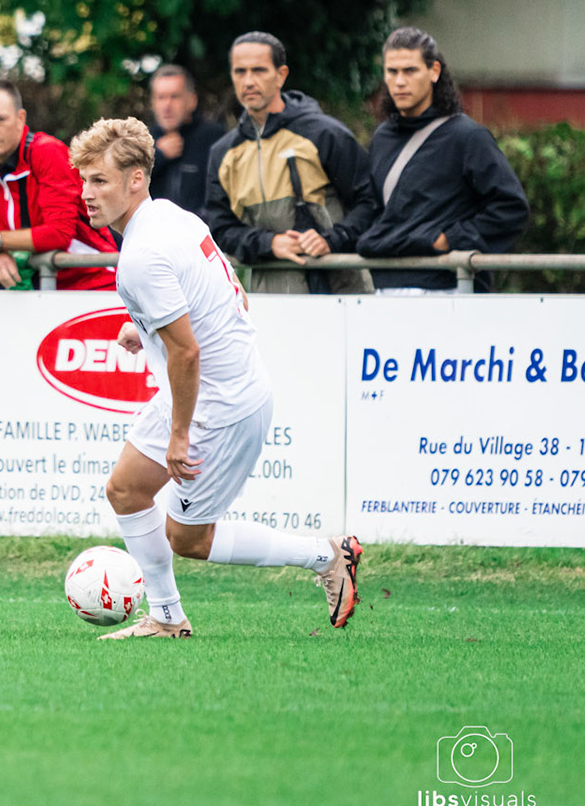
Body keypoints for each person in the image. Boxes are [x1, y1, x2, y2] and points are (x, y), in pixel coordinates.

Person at [71, 117, 363, 639]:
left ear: (136, 178)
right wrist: (148, 331)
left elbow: (186, 353)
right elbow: (231, 297)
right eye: (84, 179)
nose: (86, 194)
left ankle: (326, 554)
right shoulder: (174, 218)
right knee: (126, 491)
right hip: (204, 391)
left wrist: (180, 434)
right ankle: (166, 618)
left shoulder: (140, 254)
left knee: (188, 538)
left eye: (99, 180)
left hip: (221, 407)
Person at [358, 27, 528, 293]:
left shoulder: (468, 136)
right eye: (392, 72)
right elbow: (370, 209)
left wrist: (448, 240)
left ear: (434, 71)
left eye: (410, 70)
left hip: (448, 289)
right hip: (385, 289)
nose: (399, 81)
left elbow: (511, 208)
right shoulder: (382, 137)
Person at [205, 32, 377, 294]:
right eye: (240, 72)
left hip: (343, 295)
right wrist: (269, 243)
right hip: (271, 300)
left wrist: (333, 239)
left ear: (281, 75)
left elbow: (370, 202)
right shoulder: (222, 153)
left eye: (259, 70)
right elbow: (219, 227)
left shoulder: (325, 134)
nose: (248, 81)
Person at [0, 79, 117, 290]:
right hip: (38, 287)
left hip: (92, 283)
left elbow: (58, 234)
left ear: (20, 118)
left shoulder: (47, 151)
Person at [144, 65, 225, 215]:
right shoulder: (141, 141)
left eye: (175, 97)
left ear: (192, 101)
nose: (167, 106)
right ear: (153, 103)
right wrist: (158, 156)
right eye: (161, 97)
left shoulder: (214, 139)